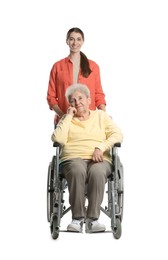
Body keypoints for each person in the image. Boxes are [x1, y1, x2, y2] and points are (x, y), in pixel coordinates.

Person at [51, 83, 123, 233]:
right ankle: (77, 219)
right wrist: (69, 116)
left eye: (80, 98)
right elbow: (57, 138)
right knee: (77, 169)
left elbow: (118, 135)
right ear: (70, 104)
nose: (77, 102)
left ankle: (93, 220)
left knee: (97, 172)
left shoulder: (101, 116)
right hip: (72, 158)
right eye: (72, 100)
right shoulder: (67, 119)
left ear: (89, 100)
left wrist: (100, 147)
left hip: (99, 159)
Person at [47, 27, 106, 123]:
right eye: (71, 39)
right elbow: (51, 97)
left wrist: (104, 117)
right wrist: (63, 117)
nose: (75, 43)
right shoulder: (57, 66)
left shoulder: (93, 66)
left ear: (83, 41)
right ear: (67, 41)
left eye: (78, 39)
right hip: (64, 121)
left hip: (89, 121)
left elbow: (99, 95)